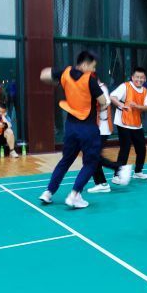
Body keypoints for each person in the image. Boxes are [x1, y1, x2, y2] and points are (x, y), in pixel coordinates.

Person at [38, 51, 108, 209]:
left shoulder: (65, 72)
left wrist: (57, 83)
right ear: (85, 64)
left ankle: (48, 192)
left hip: (70, 127)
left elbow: (43, 75)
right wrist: (102, 105)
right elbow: (103, 101)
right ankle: (74, 195)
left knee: (66, 160)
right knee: (91, 162)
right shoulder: (90, 80)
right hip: (88, 128)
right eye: (93, 66)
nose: (94, 70)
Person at [108, 67, 147, 183]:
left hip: (137, 124)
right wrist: (121, 105)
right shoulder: (125, 86)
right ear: (132, 77)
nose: (139, 79)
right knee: (125, 148)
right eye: (137, 77)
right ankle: (117, 175)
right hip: (123, 123)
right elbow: (112, 97)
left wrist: (137, 106)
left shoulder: (145, 91)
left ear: (145, 79)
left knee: (141, 149)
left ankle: (138, 172)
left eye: (142, 77)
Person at [88, 78, 131, 194]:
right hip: (94, 129)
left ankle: (118, 168)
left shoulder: (101, 88)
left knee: (93, 157)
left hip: (102, 129)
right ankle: (102, 183)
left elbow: (105, 103)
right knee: (92, 157)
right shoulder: (90, 88)